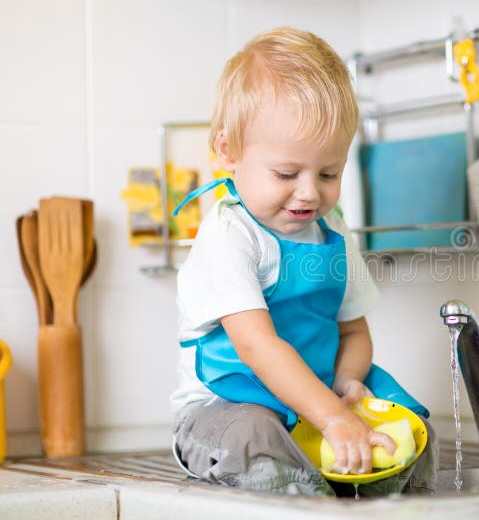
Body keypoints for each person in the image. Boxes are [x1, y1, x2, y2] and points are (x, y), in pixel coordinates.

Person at [169, 27, 437, 497]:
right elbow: (257, 348)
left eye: (329, 172)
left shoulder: (331, 227)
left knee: (416, 431)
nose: (311, 192)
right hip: (224, 409)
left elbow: (353, 330)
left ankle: (376, 489)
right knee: (256, 437)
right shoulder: (228, 234)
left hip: (316, 402)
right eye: (287, 173)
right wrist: (333, 417)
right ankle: (311, 489)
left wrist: (349, 383)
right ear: (227, 150)